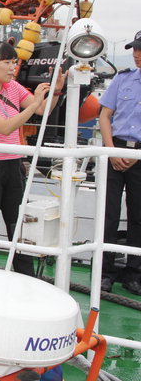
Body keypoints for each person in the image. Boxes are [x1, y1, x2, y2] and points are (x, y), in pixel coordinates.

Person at [0, 41, 65, 276]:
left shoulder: (13, 88)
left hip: (13, 163)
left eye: (14, 62)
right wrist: (35, 103)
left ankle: (24, 275)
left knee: (18, 222)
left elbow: (43, 110)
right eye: (7, 62)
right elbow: (5, 127)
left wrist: (56, 91)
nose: (12, 68)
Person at [98, 31, 141, 295]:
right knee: (108, 215)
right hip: (114, 150)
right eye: (135, 49)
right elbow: (105, 116)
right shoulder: (122, 79)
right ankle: (104, 271)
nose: (136, 53)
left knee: (139, 217)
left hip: (140, 156)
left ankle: (134, 273)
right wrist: (112, 152)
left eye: (140, 50)